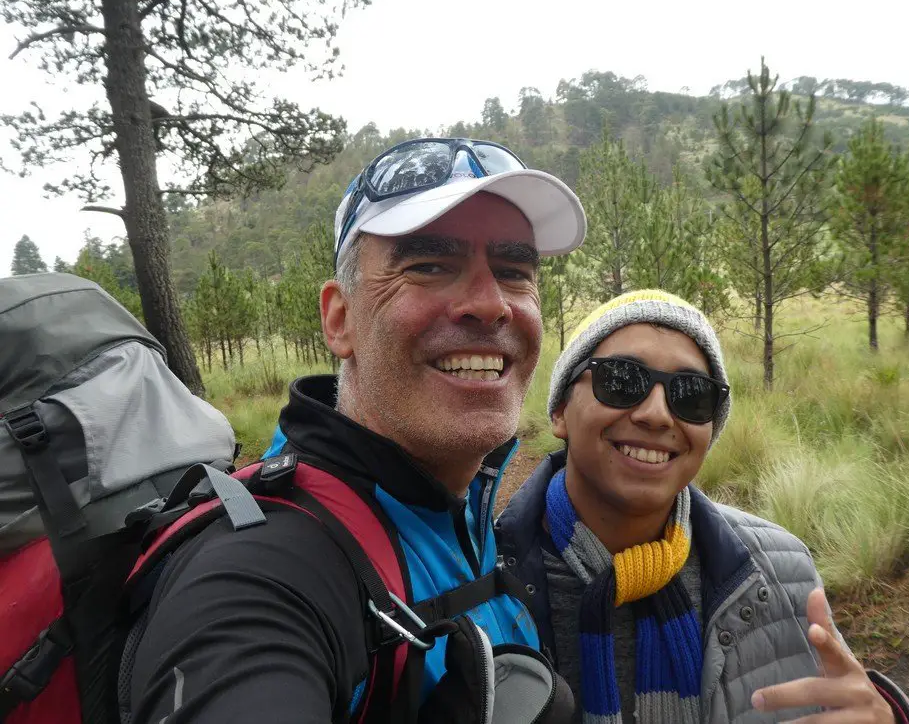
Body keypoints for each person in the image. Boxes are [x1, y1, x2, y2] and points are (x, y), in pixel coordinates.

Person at [127, 138, 586, 723]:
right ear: (339, 319)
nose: (490, 304)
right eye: (430, 266)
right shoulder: (255, 578)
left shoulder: (466, 509)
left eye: (514, 270)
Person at [496, 289, 909, 724]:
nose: (658, 414)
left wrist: (890, 717)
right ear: (560, 411)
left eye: (691, 394)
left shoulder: (782, 571)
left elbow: (846, 703)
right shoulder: (481, 580)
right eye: (622, 380)